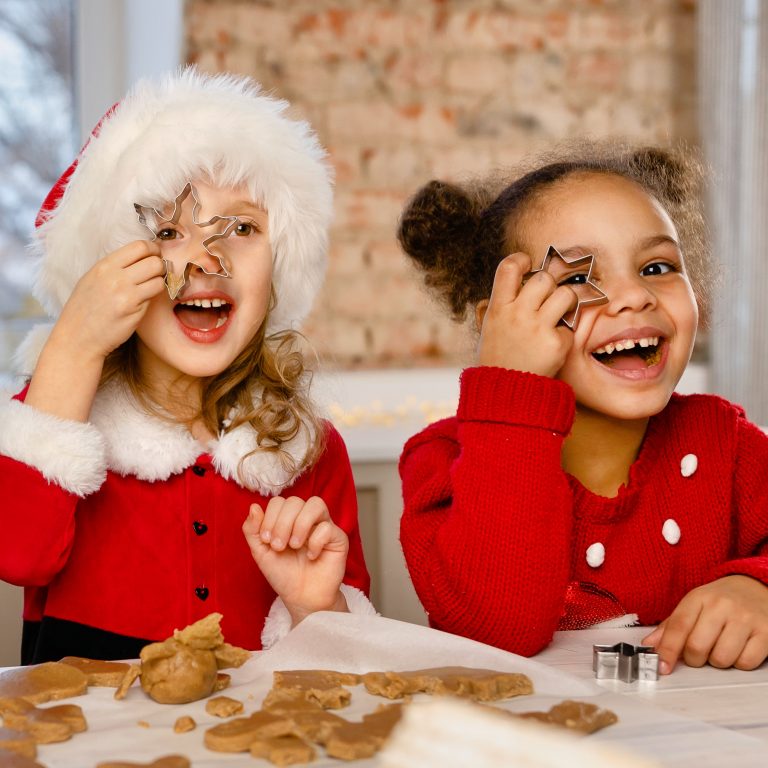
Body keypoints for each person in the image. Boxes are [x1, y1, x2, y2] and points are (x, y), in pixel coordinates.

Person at [0, 68, 373, 664]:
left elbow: (341, 656)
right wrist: (73, 343)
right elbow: (19, 555)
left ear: (280, 268)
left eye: (243, 227)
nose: (207, 258)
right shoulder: (55, 414)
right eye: (169, 230)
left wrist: (313, 606)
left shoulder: (308, 448)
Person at [397, 141, 768, 674]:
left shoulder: (728, 445)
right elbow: (499, 630)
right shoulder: (441, 463)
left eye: (658, 266)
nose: (634, 296)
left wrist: (757, 585)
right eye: (576, 278)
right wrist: (510, 385)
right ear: (498, 321)